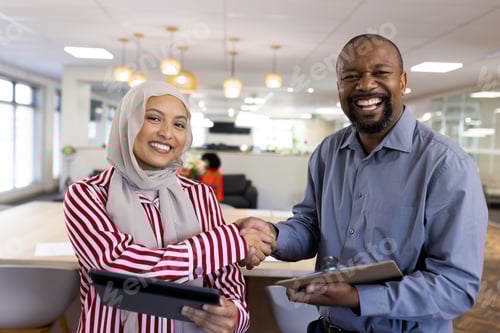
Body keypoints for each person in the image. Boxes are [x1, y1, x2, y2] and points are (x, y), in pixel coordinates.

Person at [237, 34, 488, 333]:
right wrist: (275, 235)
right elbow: (310, 226)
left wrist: (358, 298)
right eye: (351, 76)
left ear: (403, 82)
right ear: (339, 87)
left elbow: (456, 287)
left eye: (380, 73)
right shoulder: (328, 152)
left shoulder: (447, 166)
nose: (366, 85)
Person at [63, 81, 274, 333]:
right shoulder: (87, 194)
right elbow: (120, 268)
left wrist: (236, 316)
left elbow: (226, 280)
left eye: (179, 124)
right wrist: (232, 242)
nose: (167, 133)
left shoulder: (200, 195)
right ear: (127, 124)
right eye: (153, 118)